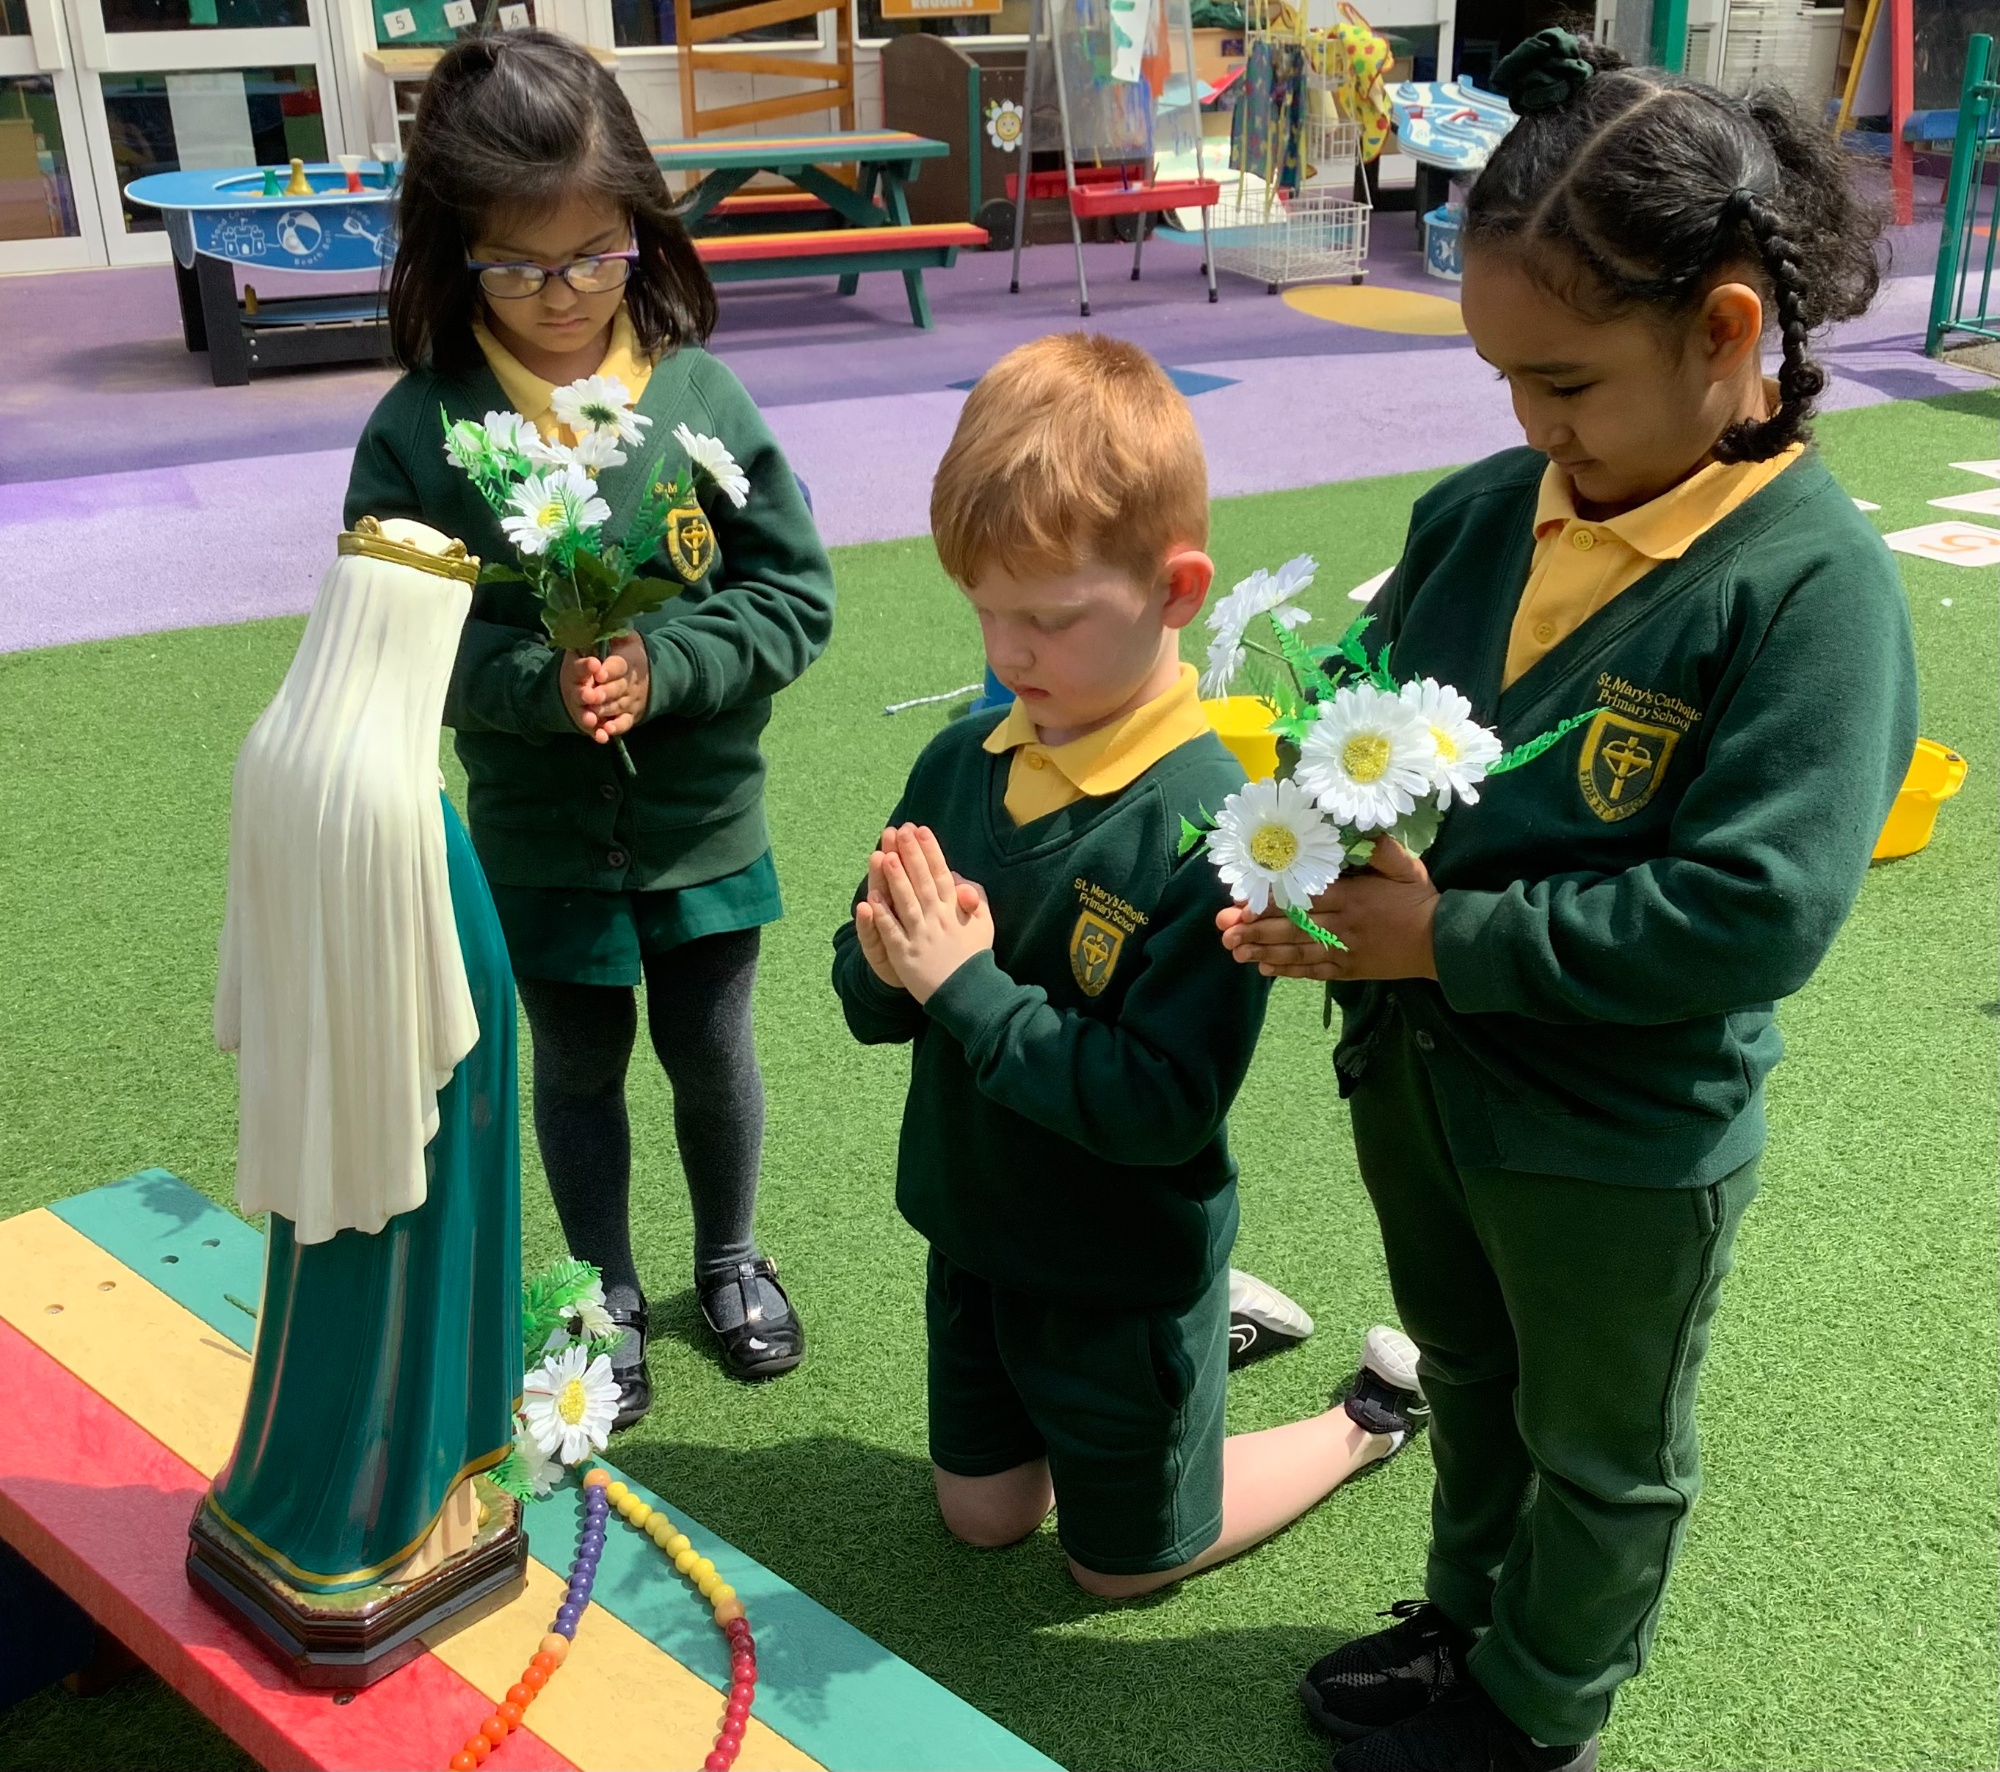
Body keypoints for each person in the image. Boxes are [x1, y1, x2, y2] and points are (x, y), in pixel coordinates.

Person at [1219, 30, 1918, 1772]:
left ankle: (1538, 1705)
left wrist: (1445, 936)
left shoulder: (1809, 588)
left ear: (1730, 335)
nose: (1530, 424)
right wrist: (1309, 853)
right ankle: (1466, 1618)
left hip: (1621, 1137)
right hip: (1427, 1089)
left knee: (1602, 1440)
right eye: (1503, 381)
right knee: (1467, 1370)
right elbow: (1356, 720)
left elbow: (1751, 916)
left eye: (1569, 383)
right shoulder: (1481, 515)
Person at [831, 334, 1429, 1597]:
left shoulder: (1222, 828)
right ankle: (1217, 1345)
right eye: (985, 608)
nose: (1009, 650)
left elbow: (1161, 1108)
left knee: (1120, 1571)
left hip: (1120, 1260)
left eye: (1048, 617)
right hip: (977, 1230)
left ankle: (1359, 1419)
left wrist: (965, 987)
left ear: (1174, 590)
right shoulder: (959, 761)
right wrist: (889, 961)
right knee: (983, 1517)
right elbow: (864, 991)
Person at [345, 32, 836, 1409]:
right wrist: (536, 690)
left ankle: (730, 1254)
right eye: (519, 263)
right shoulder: (421, 435)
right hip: (538, 837)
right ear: (455, 255)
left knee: (711, 1050)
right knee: (573, 1066)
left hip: (701, 824)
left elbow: (793, 594)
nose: (562, 295)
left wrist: (662, 662)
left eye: (596, 253)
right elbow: (394, 653)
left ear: (643, 230)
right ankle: (602, 1284)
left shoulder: (695, 400)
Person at [205, 517, 519, 1608]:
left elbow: (256, 962)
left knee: (316, 1311)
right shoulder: (399, 803)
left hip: (317, 1104)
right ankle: (394, 1514)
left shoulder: (274, 752)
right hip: (414, 1116)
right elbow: (452, 998)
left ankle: (275, 1492)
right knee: (397, 1302)